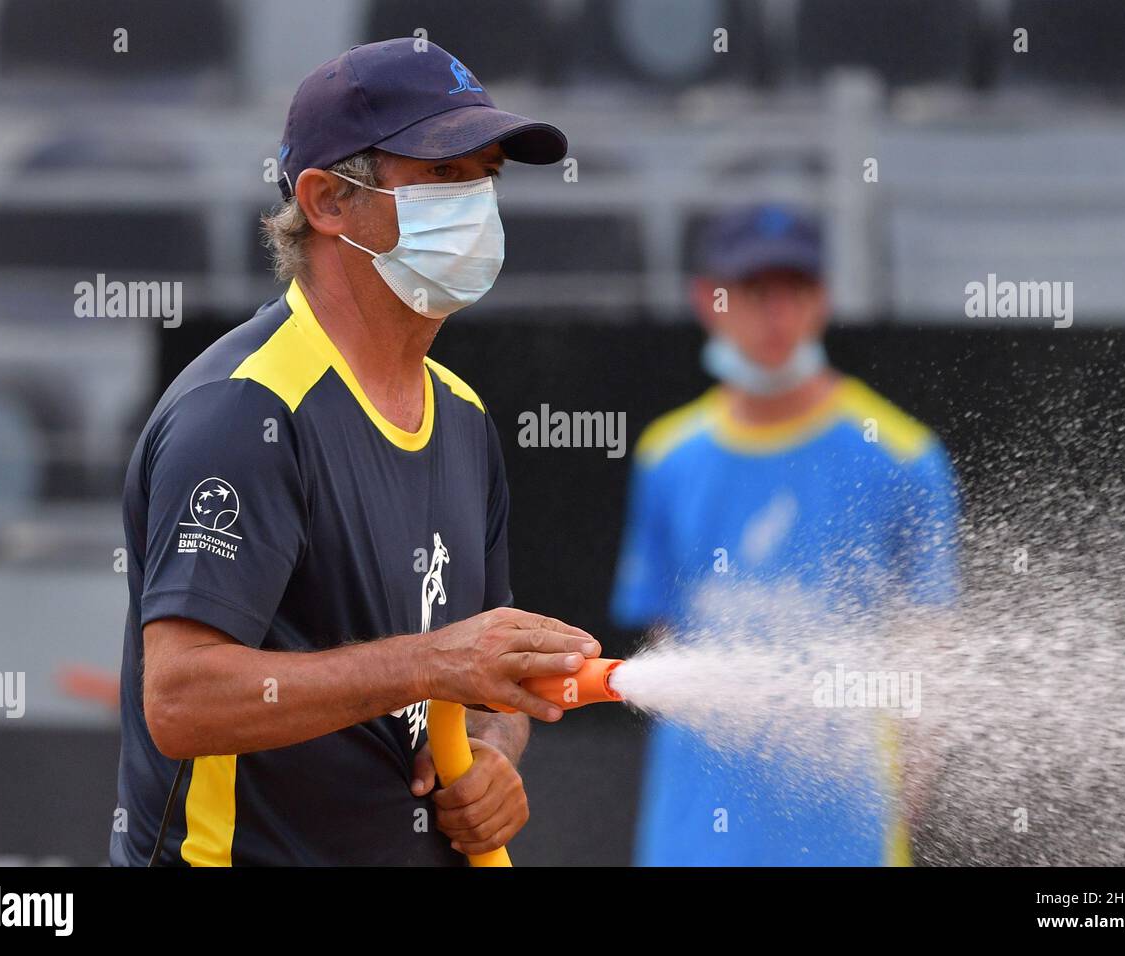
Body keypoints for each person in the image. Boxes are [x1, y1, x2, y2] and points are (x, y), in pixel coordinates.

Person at [111, 39, 600, 866]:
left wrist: (491, 756)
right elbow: (183, 699)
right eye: (445, 174)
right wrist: (430, 666)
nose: (478, 202)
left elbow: (483, 678)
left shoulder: (464, 416)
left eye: (489, 175)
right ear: (328, 200)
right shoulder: (246, 409)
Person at [610, 205, 958, 866]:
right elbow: (663, 640)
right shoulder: (667, 456)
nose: (775, 314)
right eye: (752, 291)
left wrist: (893, 807)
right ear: (706, 299)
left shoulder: (903, 456)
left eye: (794, 290)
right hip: (693, 830)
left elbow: (927, 658)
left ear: (823, 299)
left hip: (844, 831)